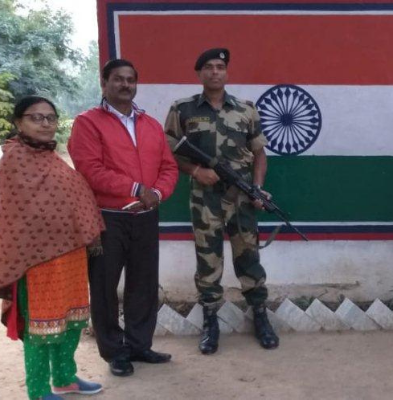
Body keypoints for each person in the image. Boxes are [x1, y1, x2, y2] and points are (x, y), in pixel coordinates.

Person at [163, 48, 279, 355]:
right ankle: (210, 321)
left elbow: (259, 154)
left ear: (226, 72)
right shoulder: (183, 109)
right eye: (209, 67)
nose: (215, 72)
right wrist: (195, 171)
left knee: (249, 258)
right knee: (208, 261)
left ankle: (260, 315)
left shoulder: (246, 109)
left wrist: (257, 189)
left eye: (220, 67)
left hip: (241, 199)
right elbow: (168, 150)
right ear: (199, 73)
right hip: (205, 199)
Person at [68, 59, 179, 377]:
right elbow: (89, 168)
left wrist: (157, 193)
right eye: (118, 79)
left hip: (146, 215)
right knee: (104, 286)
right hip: (108, 218)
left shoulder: (150, 124)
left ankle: (140, 345)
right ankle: (114, 352)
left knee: (144, 283)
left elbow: (168, 166)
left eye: (131, 79)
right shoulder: (88, 123)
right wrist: (135, 188)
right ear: (104, 83)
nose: (125, 85)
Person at [0, 96, 105, 399]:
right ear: (18, 123)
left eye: (50, 117)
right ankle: (38, 390)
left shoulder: (51, 157)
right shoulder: (13, 161)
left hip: (70, 257)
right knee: (41, 329)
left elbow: (72, 201)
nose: (45, 124)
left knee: (71, 321)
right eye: (36, 117)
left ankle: (64, 377)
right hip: (36, 263)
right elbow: (12, 217)